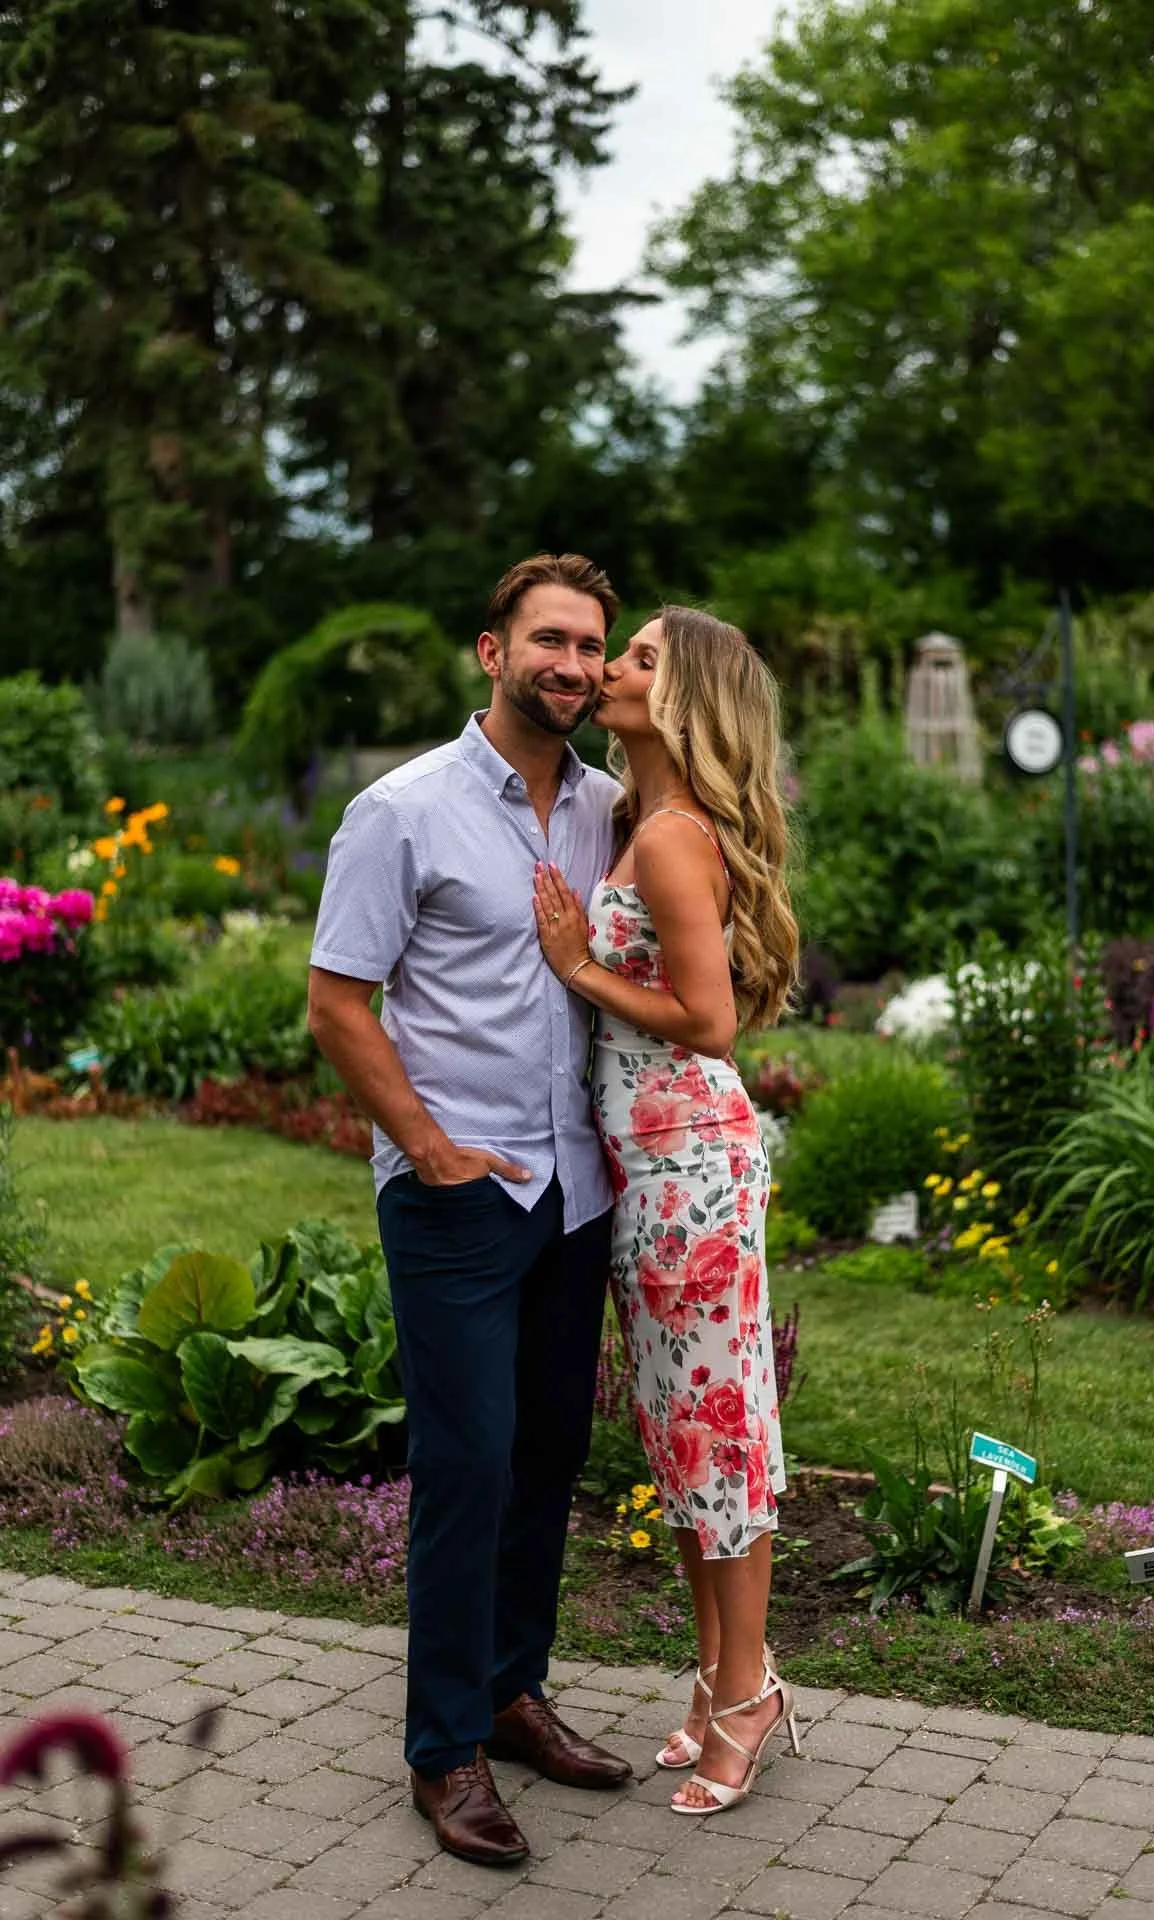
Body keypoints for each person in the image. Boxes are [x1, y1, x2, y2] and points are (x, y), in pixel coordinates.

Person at [307, 553, 633, 1871]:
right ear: (489, 653)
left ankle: (510, 1693)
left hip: (577, 1193)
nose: (571, 665)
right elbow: (337, 1003)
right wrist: (430, 1148)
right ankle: (441, 1749)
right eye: (547, 641)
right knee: (467, 1464)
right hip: (459, 1199)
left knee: (550, 1451)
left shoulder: (610, 807)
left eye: (591, 648)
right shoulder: (402, 811)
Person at [533, 605, 803, 1814]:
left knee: (721, 1439)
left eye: (638, 657)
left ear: (685, 694)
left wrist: (580, 968)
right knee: (681, 1438)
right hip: (648, 1167)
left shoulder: (676, 835)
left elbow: (710, 1021)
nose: (611, 671)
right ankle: (714, 1680)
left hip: (690, 1163)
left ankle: (747, 1693)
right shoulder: (633, 816)